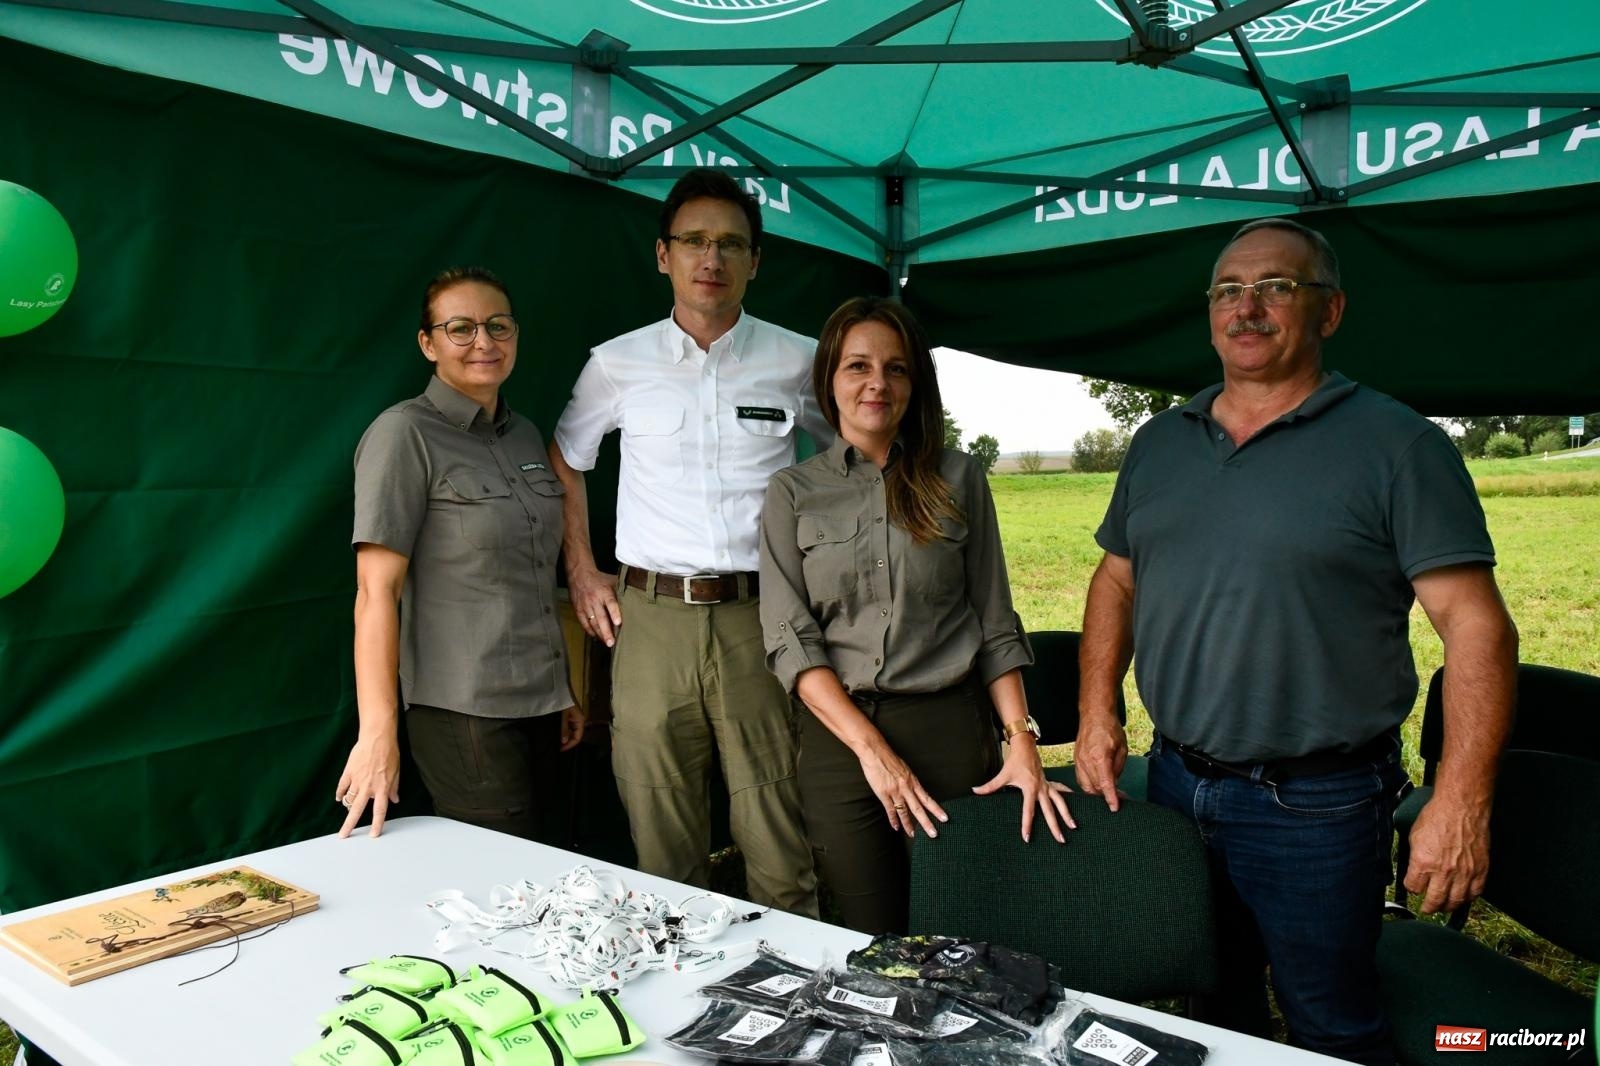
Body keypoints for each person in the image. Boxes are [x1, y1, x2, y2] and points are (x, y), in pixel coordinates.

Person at [1073, 218, 1518, 1064]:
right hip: (1175, 782)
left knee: (1332, 1025)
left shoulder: (1399, 446)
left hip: (1317, 802)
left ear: (1331, 310)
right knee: (1207, 1008)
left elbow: (1476, 624)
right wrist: (1097, 712)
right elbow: (1116, 580)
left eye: (1277, 285)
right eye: (1228, 290)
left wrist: (1460, 801)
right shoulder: (1160, 443)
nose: (1248, 307)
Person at [548, 169, 825, 916]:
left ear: (756, 261)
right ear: (663, 255)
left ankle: (798, 1005)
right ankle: (681, 1008)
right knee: (661, 842)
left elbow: (851, 459)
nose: (713, 257)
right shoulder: (617, 362)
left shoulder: (801, 360)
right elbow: (567, 458)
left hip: (761, 619)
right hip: (651, 621)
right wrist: (584, 570)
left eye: (731, 243)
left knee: (779, 837)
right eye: (695, 241)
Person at [758, 296, 1074, 934]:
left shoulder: (957, 476)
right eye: (858, 366)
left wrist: (1022, 743)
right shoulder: (792, 492)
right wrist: (872, 751)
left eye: (896, 368)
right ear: (830, 380)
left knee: (960, 928)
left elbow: (994, 622)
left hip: (949, 732)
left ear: (915, 384)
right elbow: (789, 640)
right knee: (875, 934)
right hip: (841, 743)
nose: (877, 382)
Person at [338, 266, 584, 840]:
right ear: (428, 343)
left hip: (544, 707)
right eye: (461, 328)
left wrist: (561, 689)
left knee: (553, 873)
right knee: (506, 884)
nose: (484, 342)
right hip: (465, 712)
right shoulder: (403, 435)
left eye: (498, 326)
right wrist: (377, 731)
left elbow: (531, 576)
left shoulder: (525, 434)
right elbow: (376, 593)